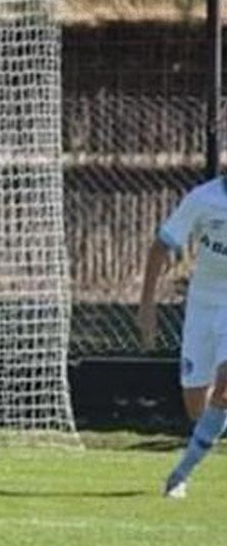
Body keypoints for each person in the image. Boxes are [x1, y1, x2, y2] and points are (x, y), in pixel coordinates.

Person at [138, 175, 227, 498]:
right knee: (196, 406)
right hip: (202, 308)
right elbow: (161, 246)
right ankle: (212, 429)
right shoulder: (203, 199)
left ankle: (180, 475)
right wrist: (147, 306)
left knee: (225, 383)